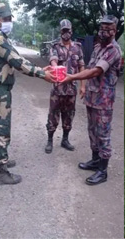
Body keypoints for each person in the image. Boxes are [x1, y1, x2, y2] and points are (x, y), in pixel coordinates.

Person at [0, 3, 56, 185]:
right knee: (2, 131)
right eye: (5, 19)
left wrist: (41, 68)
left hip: (1, 90)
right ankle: (2, 173)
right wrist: (43, 74)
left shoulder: (3, 37)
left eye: (10, 18)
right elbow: (17, 62)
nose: (9, 21)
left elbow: (20, 58)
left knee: (0, 128)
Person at [62, 14, 123, 185]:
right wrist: (83, 86)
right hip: (92, 97)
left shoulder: (113, 50)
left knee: (103, 134)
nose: (103, 31)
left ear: (114, 30)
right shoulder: (97, 47)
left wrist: (71, 77)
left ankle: (103, 171)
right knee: (92, 131)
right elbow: (88, 67)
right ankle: (95, 161)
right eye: (101, 27)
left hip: (103, 101)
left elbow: (96, 71)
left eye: (107, 28)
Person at [44, 19, 85, 153]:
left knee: (69, 115)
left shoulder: (77, 47)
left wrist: (83, 86)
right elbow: (53, 61)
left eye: (68, 30)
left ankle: (65, 140)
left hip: (71, 89)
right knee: (53, 115)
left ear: (71, 30)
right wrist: (57, 68)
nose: (66, 33)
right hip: (57, 89)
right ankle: (50, 140)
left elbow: (81, 67)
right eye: (63, 31)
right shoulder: (55, 47)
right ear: (60, 31)